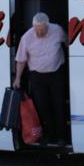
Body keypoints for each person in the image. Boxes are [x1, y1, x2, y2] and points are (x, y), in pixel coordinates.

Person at [13, 12, 67, 146]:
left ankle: (61, 136)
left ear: (48, 25)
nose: (39, 32)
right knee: (42, 107)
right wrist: (17, 78)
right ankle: (48, 135)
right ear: (33, 27)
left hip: (56, 73)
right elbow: (21, 60)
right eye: (37, 29)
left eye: (42, 29)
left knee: (58, 105)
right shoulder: (27, 37)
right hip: (37, 76)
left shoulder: (57, 30)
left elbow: (68, 42)